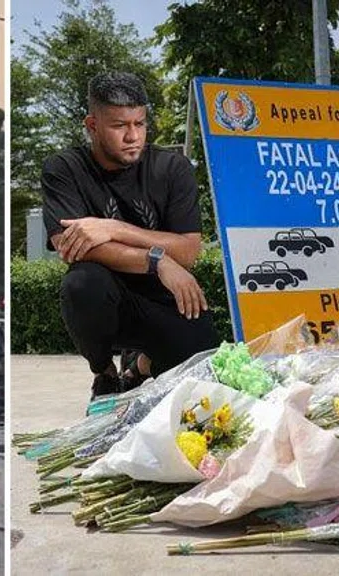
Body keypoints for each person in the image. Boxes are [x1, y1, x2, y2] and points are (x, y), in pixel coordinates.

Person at [40, 71, 221, 404]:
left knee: (202, 360)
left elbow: (187, 250)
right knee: (82, 283)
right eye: (119, 126)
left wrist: (113, 229)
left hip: (165, 297)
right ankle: (105, 373)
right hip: (106, 300)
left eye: (140, 123)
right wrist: (155, 259)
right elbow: (71, 246)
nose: (132, 136)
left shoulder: (173, 168)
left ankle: (138, 367)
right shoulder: (64, 168)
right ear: (92, 125)